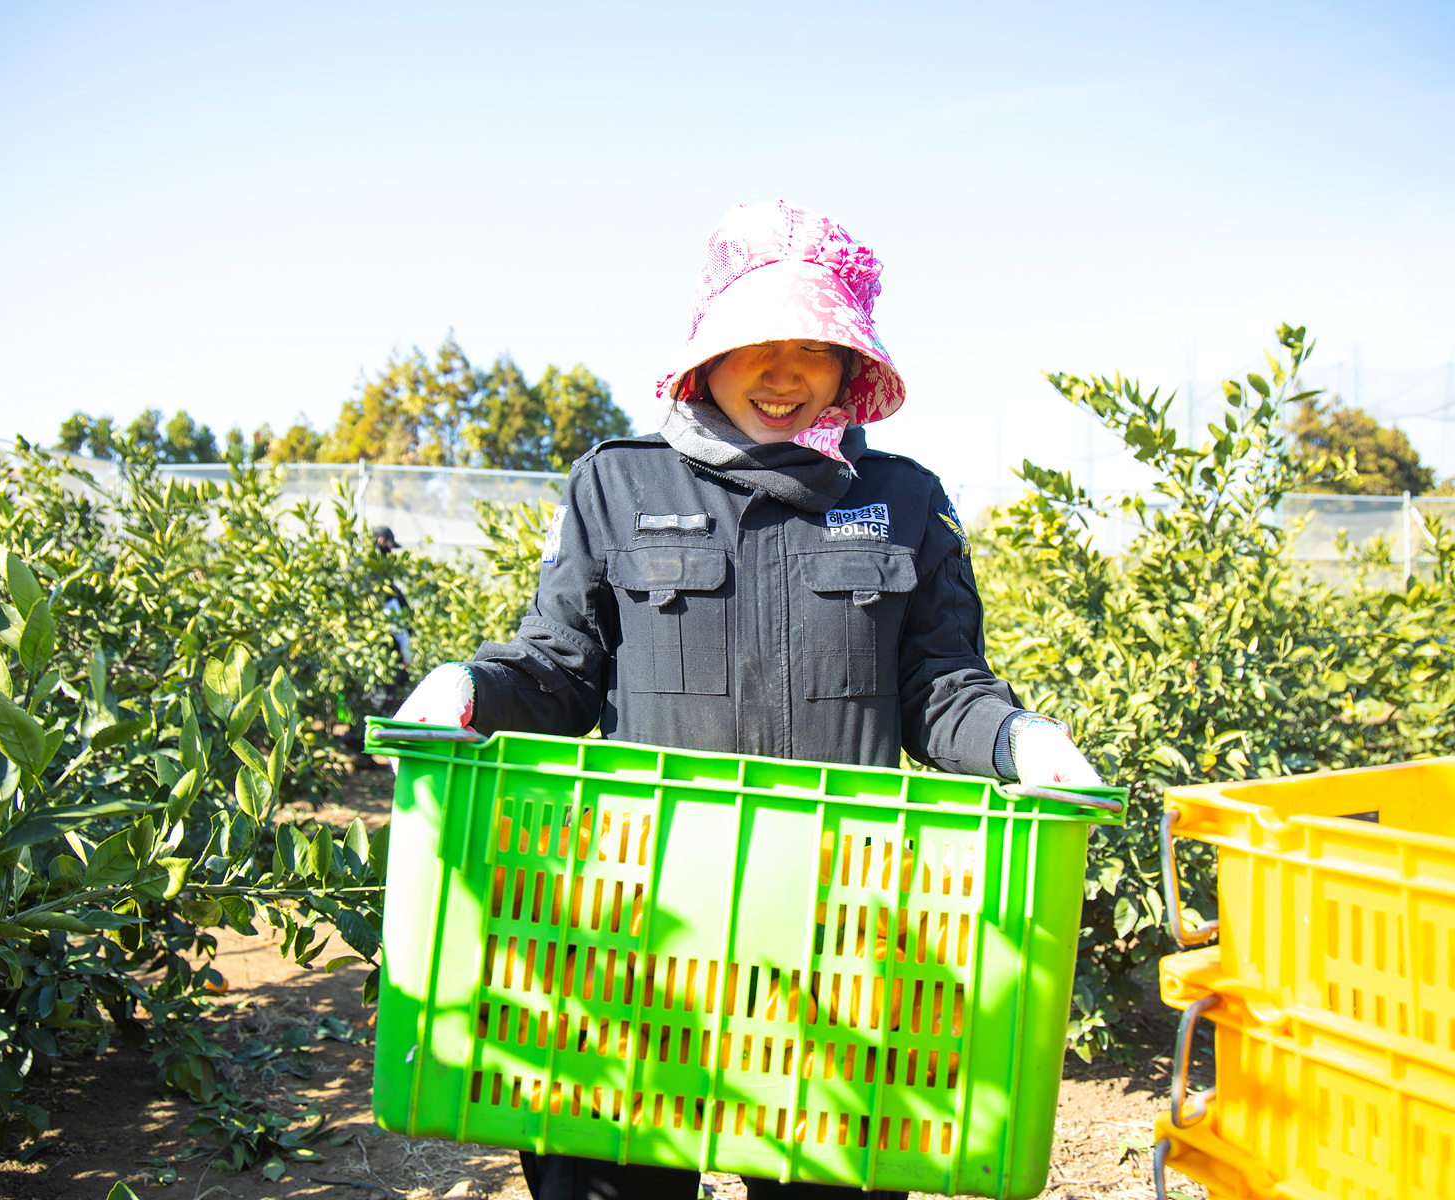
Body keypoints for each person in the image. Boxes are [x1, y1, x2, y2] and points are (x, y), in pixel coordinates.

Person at [394, 200, 1099, 1200]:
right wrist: (469, 686)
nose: (782, 372)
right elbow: (560, 669)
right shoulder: (617, 485)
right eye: (755, 343)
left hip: (839, 926)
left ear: (847, 364)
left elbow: (940, 688)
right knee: (610, 1179)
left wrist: (1018, 739)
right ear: (706, 353)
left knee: (830, 1180)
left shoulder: (901, 498)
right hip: (638, 920)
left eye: (811, 346)